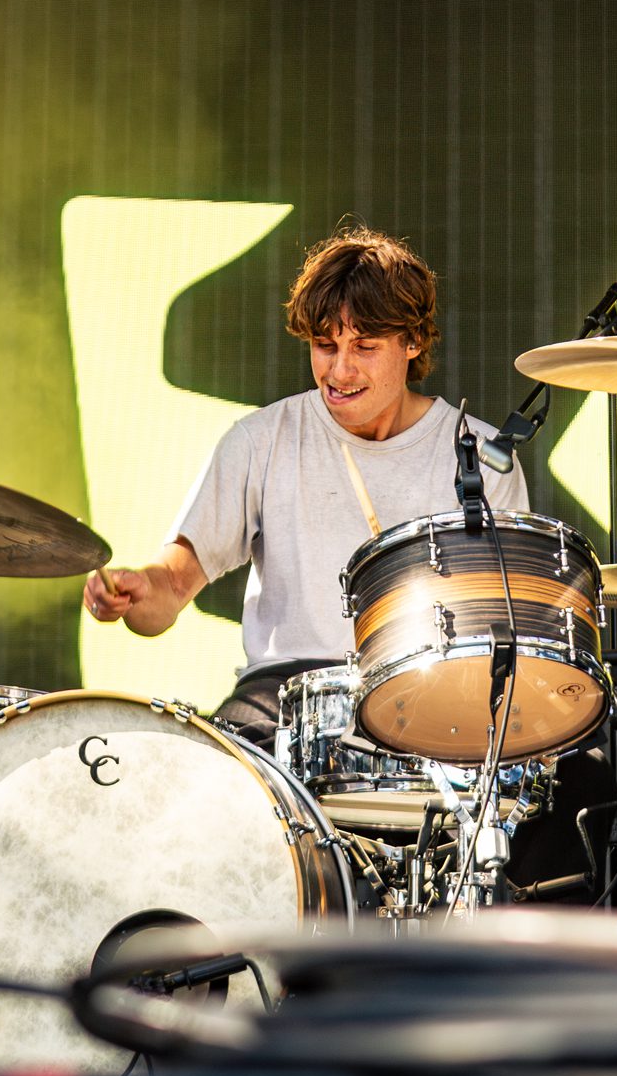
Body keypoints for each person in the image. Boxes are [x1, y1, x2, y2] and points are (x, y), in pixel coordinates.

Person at [82, 224, 528, 736]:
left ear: (412, 341)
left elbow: (505, 624)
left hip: (431, 692)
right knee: (218, 768)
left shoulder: (481, 458)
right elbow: (173, 584)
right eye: (324, 345)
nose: (339, 370)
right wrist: (138, 592)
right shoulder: (260, 441)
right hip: (283, 695)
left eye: (364, 346)